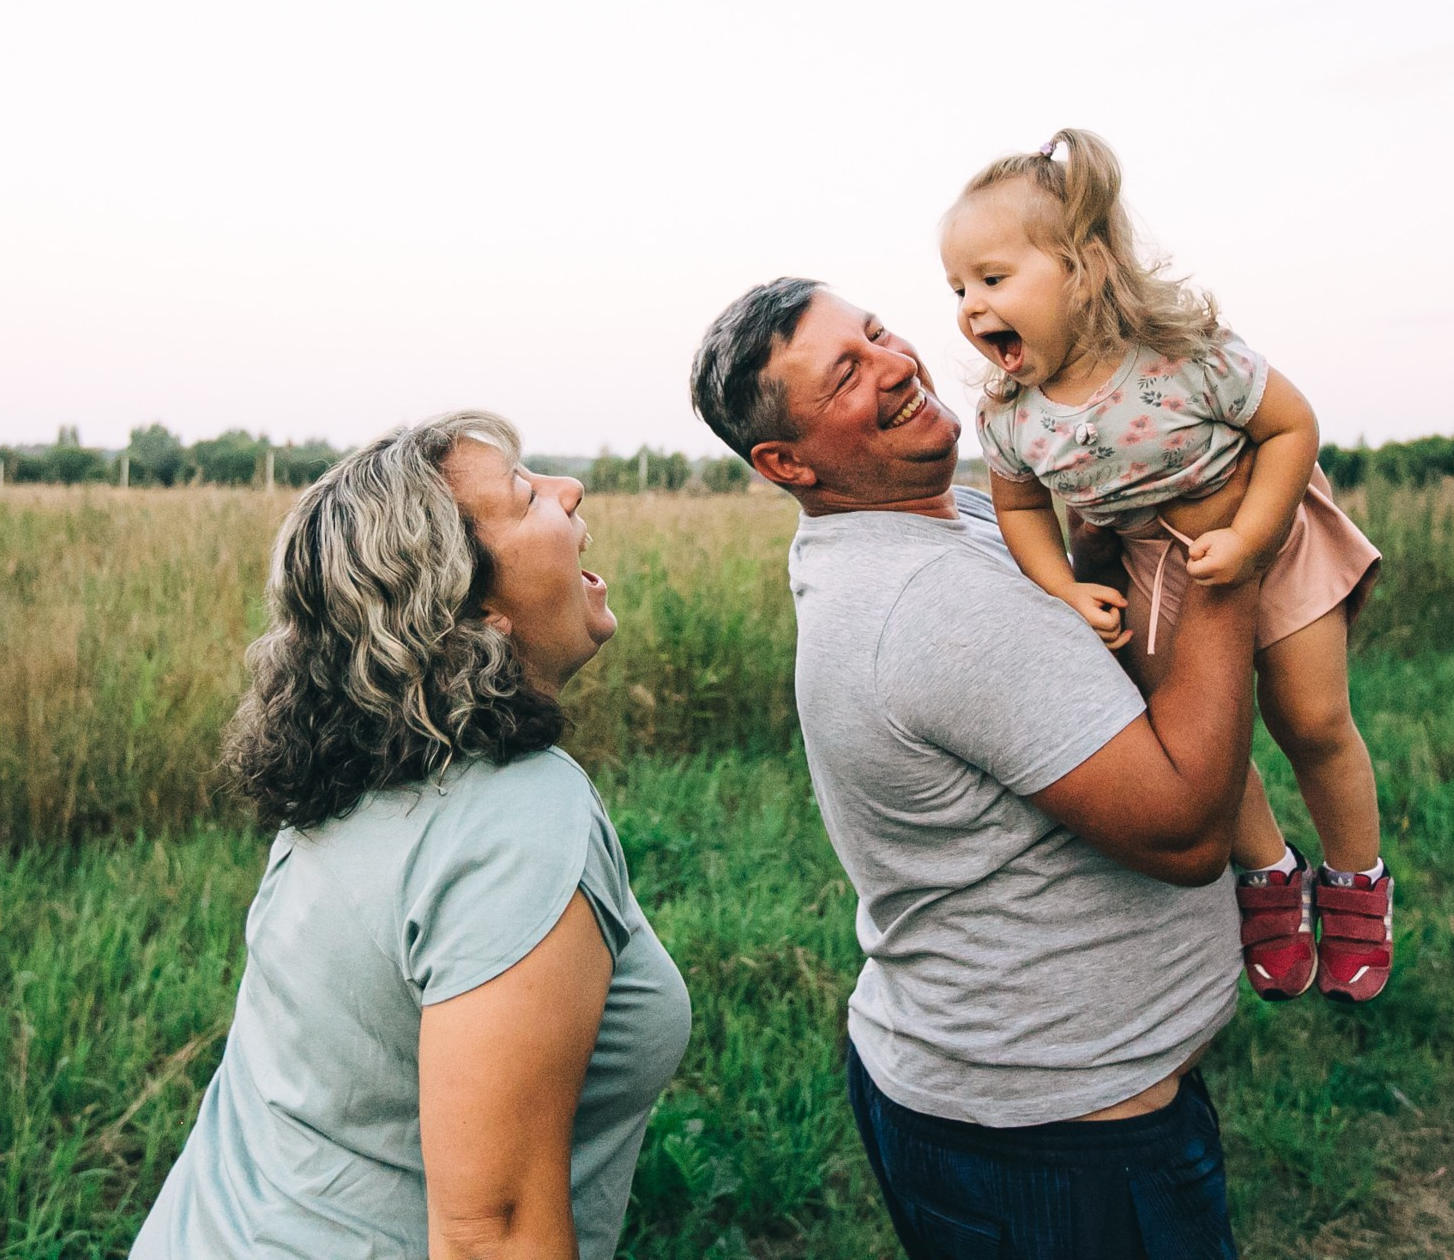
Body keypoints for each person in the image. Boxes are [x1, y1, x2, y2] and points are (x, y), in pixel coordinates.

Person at [690, 278, 1265, 1260]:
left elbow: (1092, 615)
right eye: (846, 372)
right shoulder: (931, 602)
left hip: (1029, 1108)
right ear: (787, 462)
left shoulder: (946, 520)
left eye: (875, 333)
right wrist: (1224, 541)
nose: (897, 362)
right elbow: (1183, 830)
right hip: (1058, 1148)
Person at [132, 412, 691, 1260]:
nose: (570, 490)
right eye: (526, 492)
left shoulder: (346, 780)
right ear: (474, 608)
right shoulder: (518, 816)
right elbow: (491, 1236)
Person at [942, 129, 1390, 1004]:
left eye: (993, 280)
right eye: (957, 287)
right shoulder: (1011, 416)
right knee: (1206, 743)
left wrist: (1256, 536)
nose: (969, 305)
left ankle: (1357, 880)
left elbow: (1291, 427)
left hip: (1274, 536)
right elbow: (1022, 506)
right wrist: (1065, 586)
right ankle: (1267, 873)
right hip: (1155, 571)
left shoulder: (1185, 355)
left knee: (1311, 718)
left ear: (1085, 267)